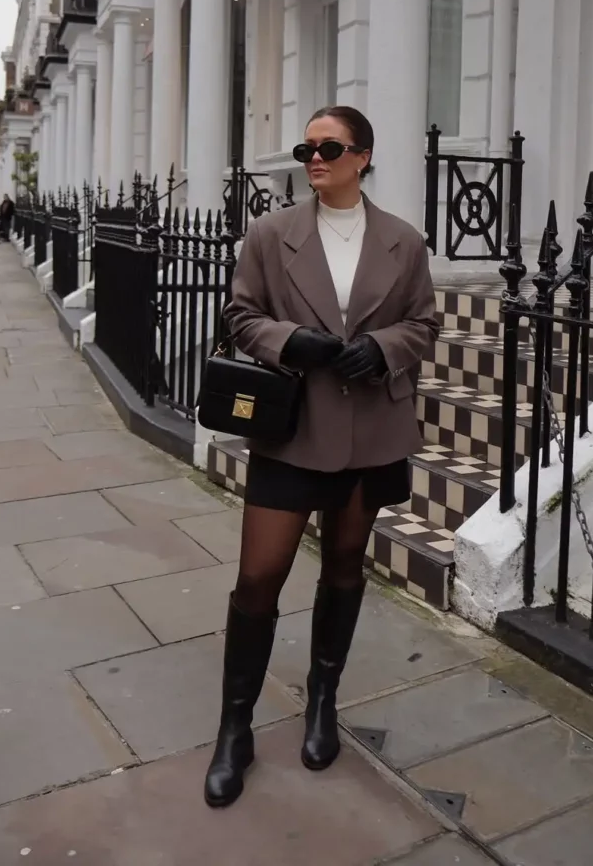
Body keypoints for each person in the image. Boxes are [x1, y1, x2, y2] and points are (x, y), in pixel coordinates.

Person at [204, 106, 439, 808]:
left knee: (342, 568)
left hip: (369, 432)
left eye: (328, 147)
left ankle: (321, 703)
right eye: (305, 147)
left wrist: (384, 348)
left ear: (362, 156)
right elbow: (240, 315)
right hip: (292, 430)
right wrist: (288, 342)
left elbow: (423, 324)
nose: (313, 158)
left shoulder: (403, 241)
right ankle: (234, 729)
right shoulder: (272, 234)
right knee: (258, 578)